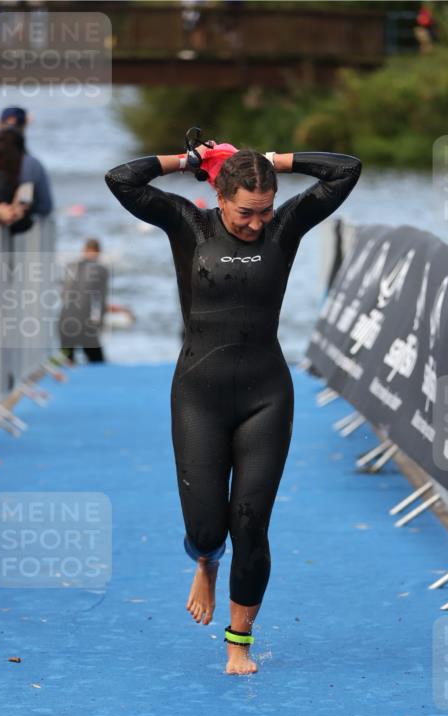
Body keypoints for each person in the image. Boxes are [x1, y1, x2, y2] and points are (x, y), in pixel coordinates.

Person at [105, 142, 361, 675]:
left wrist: (272, 158)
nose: (257, 222)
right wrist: (190, 161)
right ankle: (204, 560)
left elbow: (345, 171)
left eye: (266, 208)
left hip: (266, 395)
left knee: (251, 525)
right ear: (220, 197)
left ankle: (237, 641)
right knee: (206, 530)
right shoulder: (188, 226)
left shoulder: (285, 228)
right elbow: (122, 180)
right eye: (246, 211)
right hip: (199, 394)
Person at [58, 238, 109, 363]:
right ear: (98, 252)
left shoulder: (70, 266)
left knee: (66, 360)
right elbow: (101, 299)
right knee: (98, 362)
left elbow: (63, 293)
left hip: (65, 319)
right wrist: (100, 322)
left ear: (83, 251)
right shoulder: (101, 270)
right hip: (84, 322)